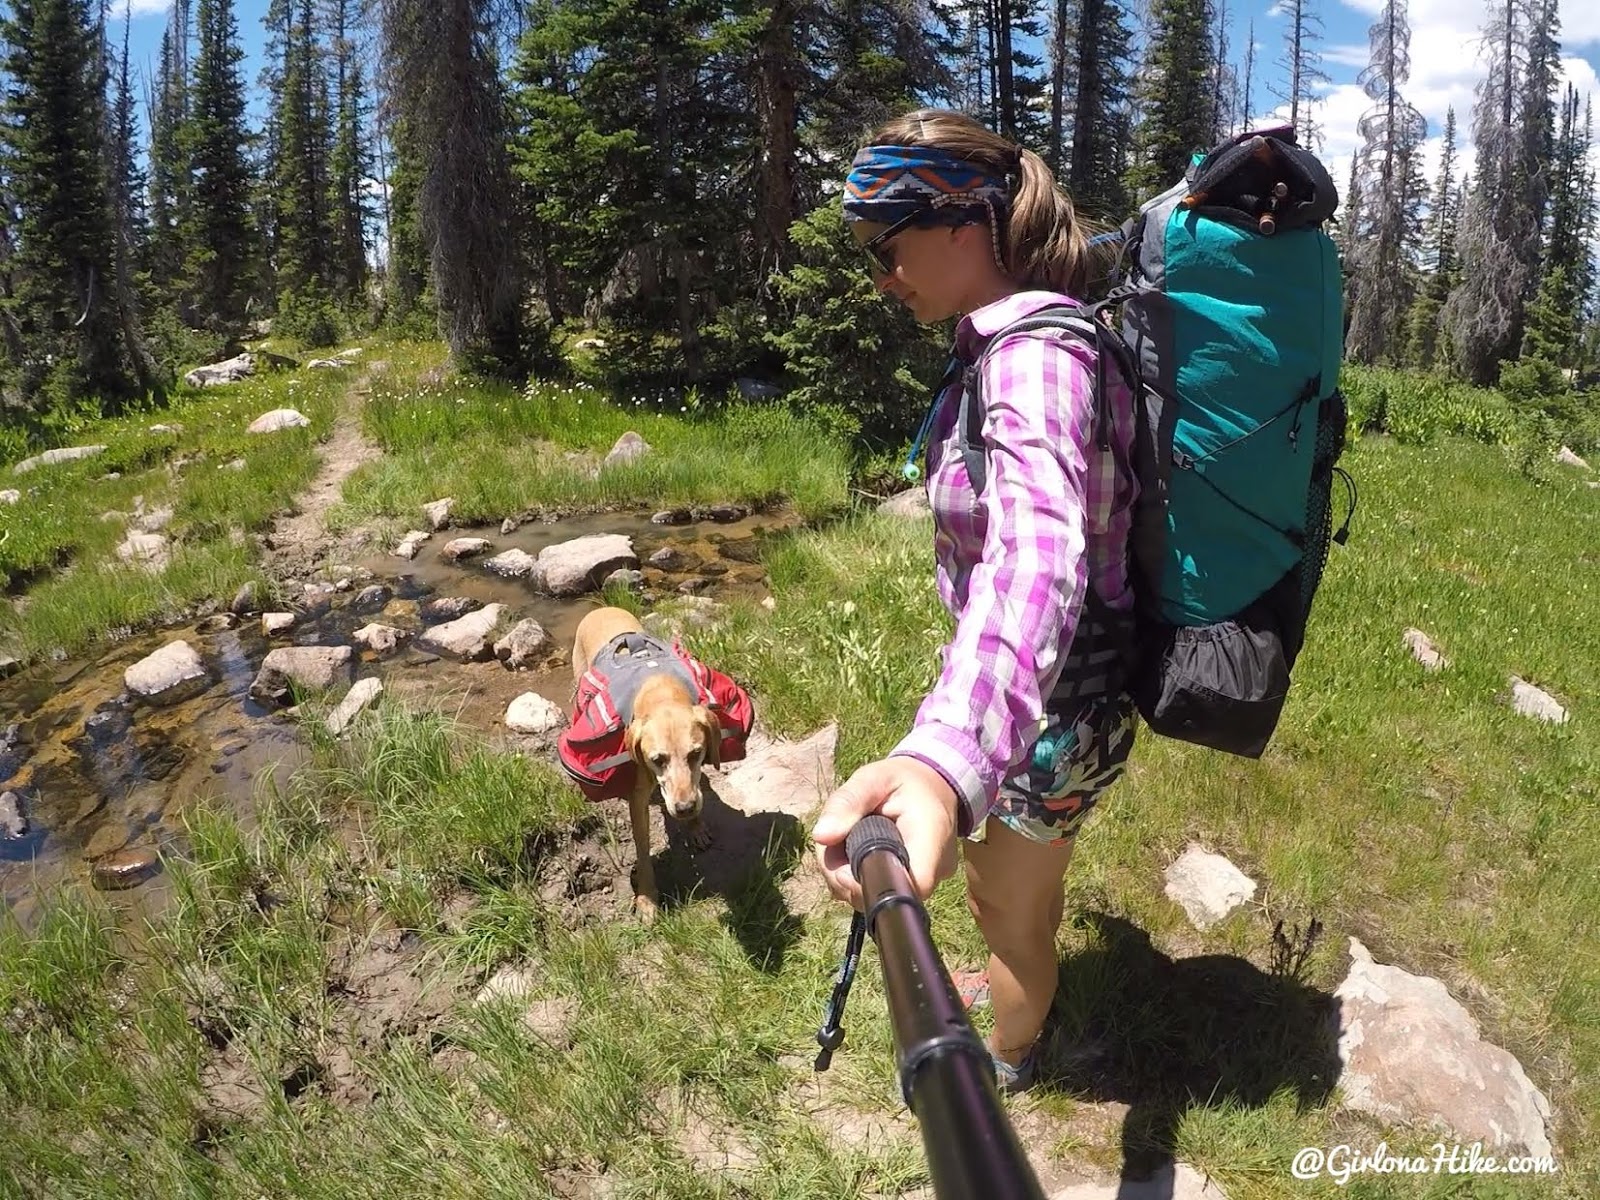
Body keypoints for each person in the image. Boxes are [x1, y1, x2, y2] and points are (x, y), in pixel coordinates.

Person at [812, 108, 1140, 1094]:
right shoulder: (999, 346)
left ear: (961, 225)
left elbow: (1038, 552)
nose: (878, 276)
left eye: (887, 245)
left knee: (1011, 911)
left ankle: (1009, 1054)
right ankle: (1012, 990)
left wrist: (946, 759)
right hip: (1033, 698)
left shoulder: (1035, 360)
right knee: (1004, 884)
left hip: (1060, 712)